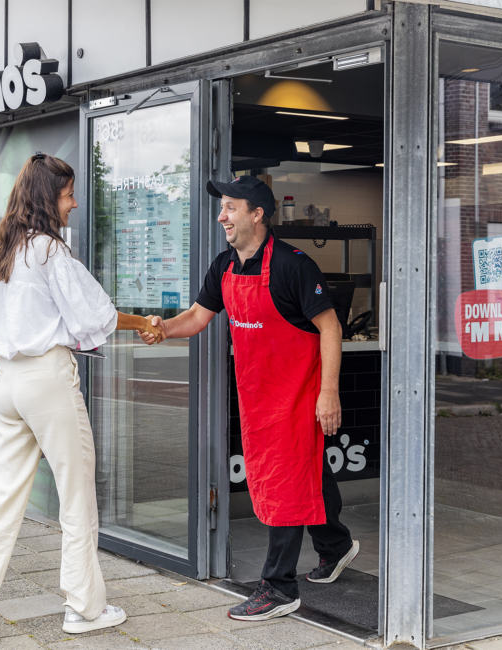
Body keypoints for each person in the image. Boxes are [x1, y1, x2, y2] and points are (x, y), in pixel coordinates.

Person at [0, 153, 164, 646]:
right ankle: (84, 607)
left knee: (1, 497)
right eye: (67, 194)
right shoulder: (50, 252)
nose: (74, 203)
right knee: (77, 495)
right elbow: (93, 314)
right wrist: (145, 323)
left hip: (7, 383)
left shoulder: (0, 252)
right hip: (46, 381)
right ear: (47, 197)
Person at [139, 176, 359, 621]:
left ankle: (279, 588)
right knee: (307, 473)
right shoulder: (224, 266)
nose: (222, 216)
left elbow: (330, 327)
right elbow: (198, 316)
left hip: (298, 395)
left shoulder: (294, 266)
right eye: (222, 207)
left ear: (257, 214)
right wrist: (162, 328)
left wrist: (328, 393)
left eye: (231, 208)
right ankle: (335, 546)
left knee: (284, 484)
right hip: (258, 393)